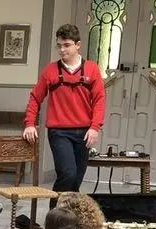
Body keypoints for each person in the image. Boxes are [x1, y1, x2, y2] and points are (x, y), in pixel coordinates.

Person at [23, 24, 105, 204]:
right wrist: (29, 123)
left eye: (66, 45)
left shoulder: (92, 69)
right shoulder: (50, 71)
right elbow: (35, 98)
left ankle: (66, 216)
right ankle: (55, 214)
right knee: (68, 174)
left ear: (78, 45)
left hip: (84, 132)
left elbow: (99, 100)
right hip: (59, 132)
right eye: (59, 45)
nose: (62, 50)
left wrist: (95, 128)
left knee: (76, 179)